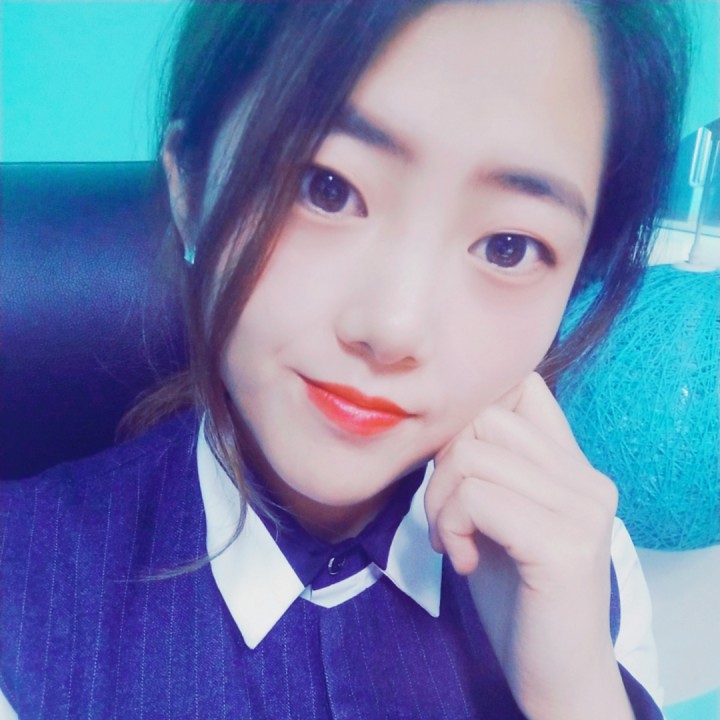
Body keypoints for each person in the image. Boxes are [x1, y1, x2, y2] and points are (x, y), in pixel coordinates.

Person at [0, 1, 690, 717]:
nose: (392, 328)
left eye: (508, 247)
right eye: (324, 188)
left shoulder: (584, 564)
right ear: (191, 185)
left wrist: (573, 692)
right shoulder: (21, 590)